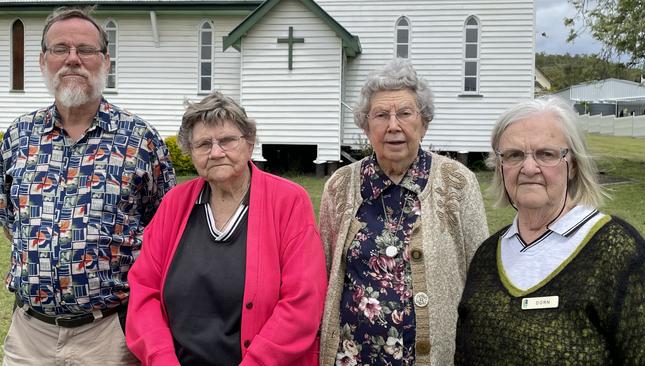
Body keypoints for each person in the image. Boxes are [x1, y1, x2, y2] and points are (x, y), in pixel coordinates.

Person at [0, 6, 176, 365]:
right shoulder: (18, 137)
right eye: (60, 49)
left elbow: (166, 229)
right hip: (29, 336)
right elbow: (10, 220)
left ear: (106, 60)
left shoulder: (140, 140)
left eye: (86, 50)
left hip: (110, 335)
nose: (72, 59)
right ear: (42, 60)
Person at [125, 91, 327, 366]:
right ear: (191, 152)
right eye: (204, 144)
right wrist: (162, 359)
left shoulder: (288, 201)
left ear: (250, 143)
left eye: (228, 140)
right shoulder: (175, 203)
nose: (216, 152)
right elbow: (144, 290)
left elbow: (303, 303)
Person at [318, 59, 489, 365]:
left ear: (423, 122)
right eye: (381, 115)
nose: (393, 125)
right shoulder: (339, 186)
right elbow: (323, 274)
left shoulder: (458, 182)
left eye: (405, 113)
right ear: (366, 125)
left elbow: (481, 280)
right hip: (351, 357)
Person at [455, 98, 645, 364]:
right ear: (500, 167)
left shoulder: (618, 253)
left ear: (574, 166)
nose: (529, 168)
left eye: (546, 154)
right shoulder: (487, 255)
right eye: (513, 155)